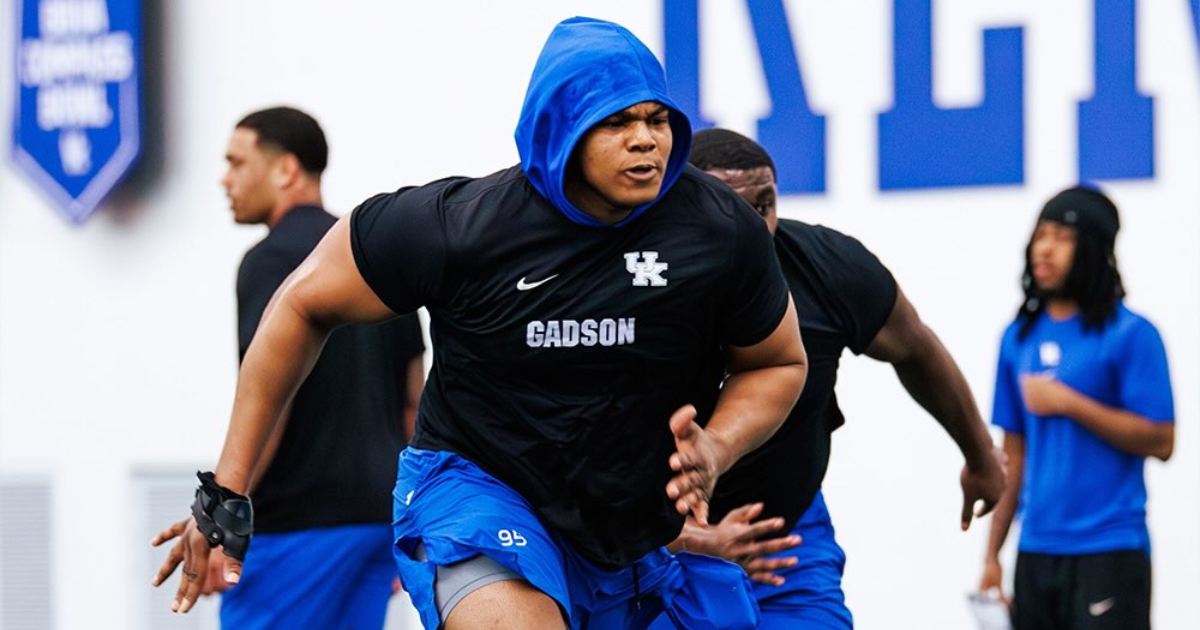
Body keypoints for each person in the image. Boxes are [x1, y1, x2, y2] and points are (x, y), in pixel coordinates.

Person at [153, 18, 808, 630]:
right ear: (561, 129)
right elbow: (302, 304)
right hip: (476, 490)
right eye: (617, 123)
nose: (646, 139)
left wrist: (718, 447)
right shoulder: (458, 226)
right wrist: (227, 493)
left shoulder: (717, 228)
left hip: (625, 524)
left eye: (656, 119)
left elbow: (777, 362)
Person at [647, 128, 1006, 629]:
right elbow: (574, 463)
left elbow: (916, 347)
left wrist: (980, 455)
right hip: (652, 553)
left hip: (786, 541)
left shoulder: (826, 267)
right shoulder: (632, 286)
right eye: (731, 207)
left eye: (764, 204)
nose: (755, 226)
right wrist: (688, 541)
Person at [151, 106, 426, 630]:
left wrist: (221, 519)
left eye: (236, 162)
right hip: (375, 523)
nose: (224, 178)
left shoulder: (273, 262)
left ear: (287, 170)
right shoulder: (378, 259)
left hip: (298, 530)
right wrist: (412, 524)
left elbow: (268, 403)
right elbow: (415, 405)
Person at [979, 186, 1174, 630]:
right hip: (1036, 550)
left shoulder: (1132, 334)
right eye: (1040, 234)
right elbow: (1012, 456)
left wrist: (1069, 403)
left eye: (1062, 237)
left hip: (1109, 548)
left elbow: (1162, 440)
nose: (1045, 248)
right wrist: (992, 556)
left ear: (1093, 249)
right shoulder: (1018, 338)